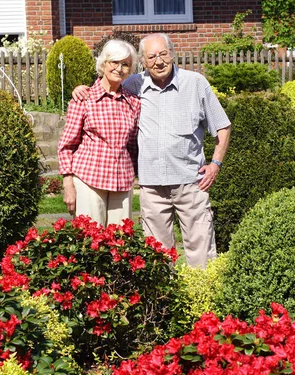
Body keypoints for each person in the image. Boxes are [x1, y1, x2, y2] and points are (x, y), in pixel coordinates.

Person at [73, 33, 231, 268]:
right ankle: (166, 300)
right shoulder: (132, 85)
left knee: (201, 249)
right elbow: (107, 85)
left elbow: (222, 126)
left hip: (191, 181)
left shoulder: (196, 83)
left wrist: (215, 164)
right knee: (157, 255)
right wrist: (81, 89)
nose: (159, 61)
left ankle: (202, 297)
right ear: (144, 63)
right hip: (152, 186)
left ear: (173, 54)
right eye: (151, 57)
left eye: (163, 54)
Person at [57, 39, 141, 227]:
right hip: (89, 179)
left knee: (120, 242)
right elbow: (67, 145)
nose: (119, 69)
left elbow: (133, 145)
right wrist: (68, 184)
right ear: (104, 63)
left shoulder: (134, 103)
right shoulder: (84, 99)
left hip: (122, 180)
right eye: (114, 62)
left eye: (125, 64)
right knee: (90, 241)